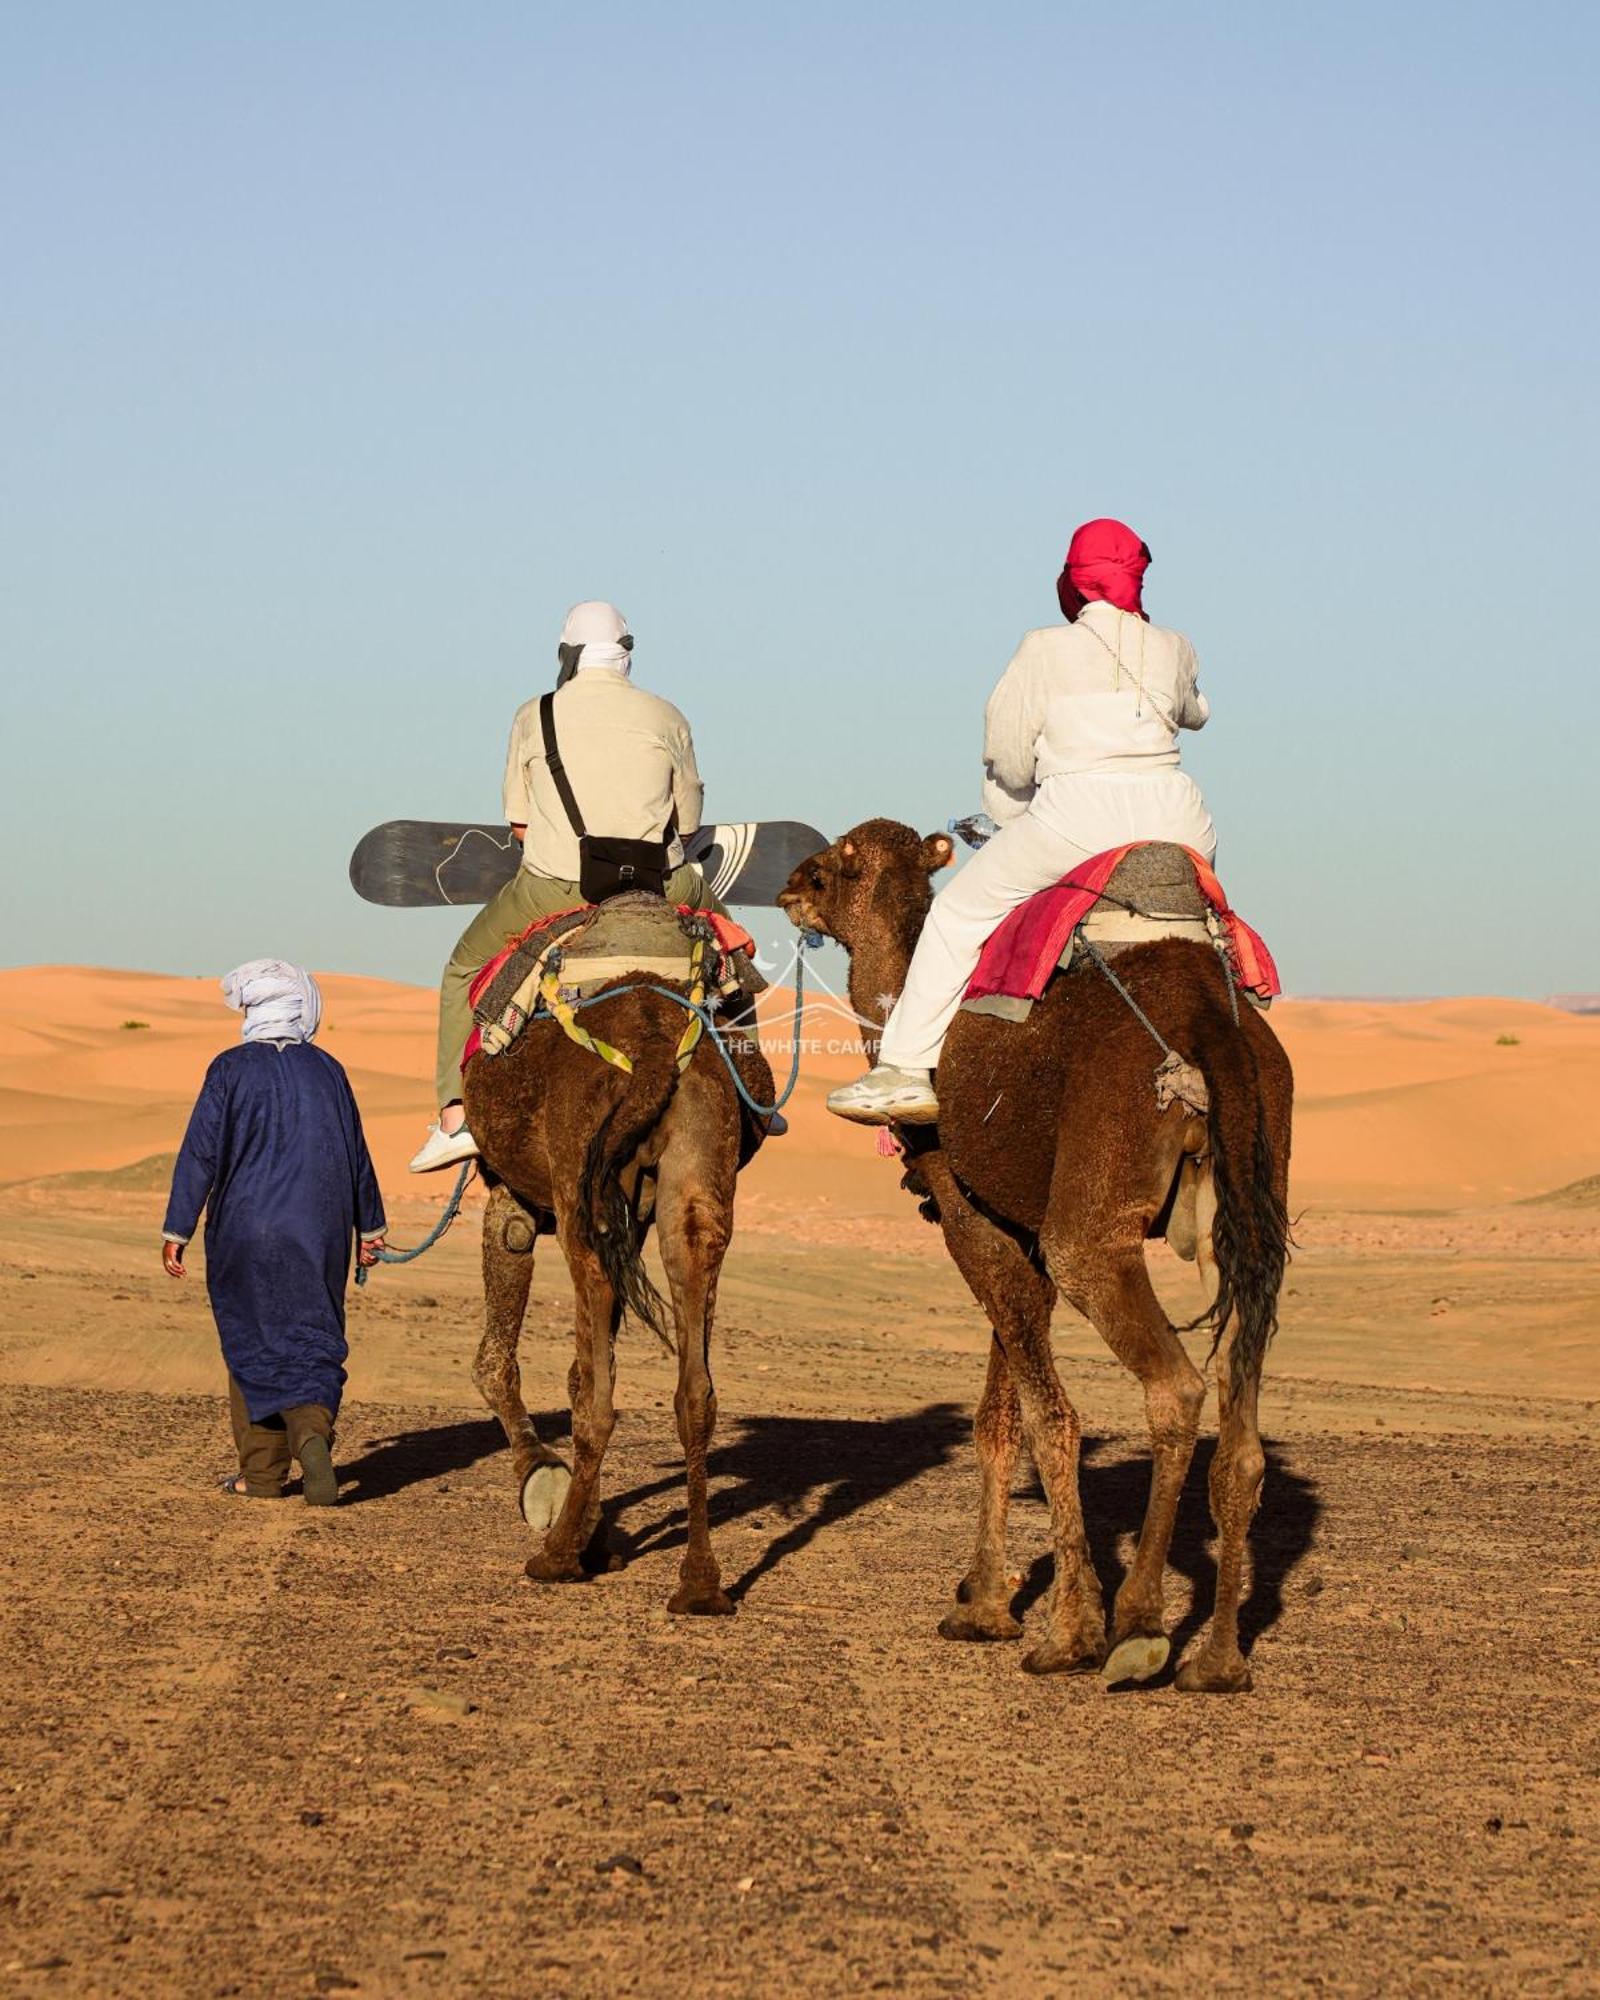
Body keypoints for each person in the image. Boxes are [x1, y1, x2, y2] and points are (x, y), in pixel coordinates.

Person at [828, 518, 1217, 1126]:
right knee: (1201, 916)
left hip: (1077, 816)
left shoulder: (1042, 647)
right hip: (1179, 818)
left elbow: (1007, 752)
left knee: (958, 915)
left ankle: (902, 1067)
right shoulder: (1176, 645)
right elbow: (1197, 713)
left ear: (1074, 580)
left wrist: (1014, 804)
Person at [411, 599, 722, 1172]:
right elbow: (690, 822)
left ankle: (454, 1118)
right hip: (662, 882)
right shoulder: (667, 715)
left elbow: (521, 824)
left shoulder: (536, 714)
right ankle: (752, 1091)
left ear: (568, 655)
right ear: (627, 654)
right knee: (731, 949)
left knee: (460, 968)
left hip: (560, 886)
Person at [162, 961, 387, 1504]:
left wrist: (178, 1226)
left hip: (243, 1226)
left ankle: (262, 1476)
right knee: (312, 1335)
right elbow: (355, 1153)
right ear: (305, 1007)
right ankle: (311, 1430)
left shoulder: (228, 1069)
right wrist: (371, 1226)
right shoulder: (329, 1070)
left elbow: (200, 1152)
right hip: (319, 1228)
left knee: (250, 1336)